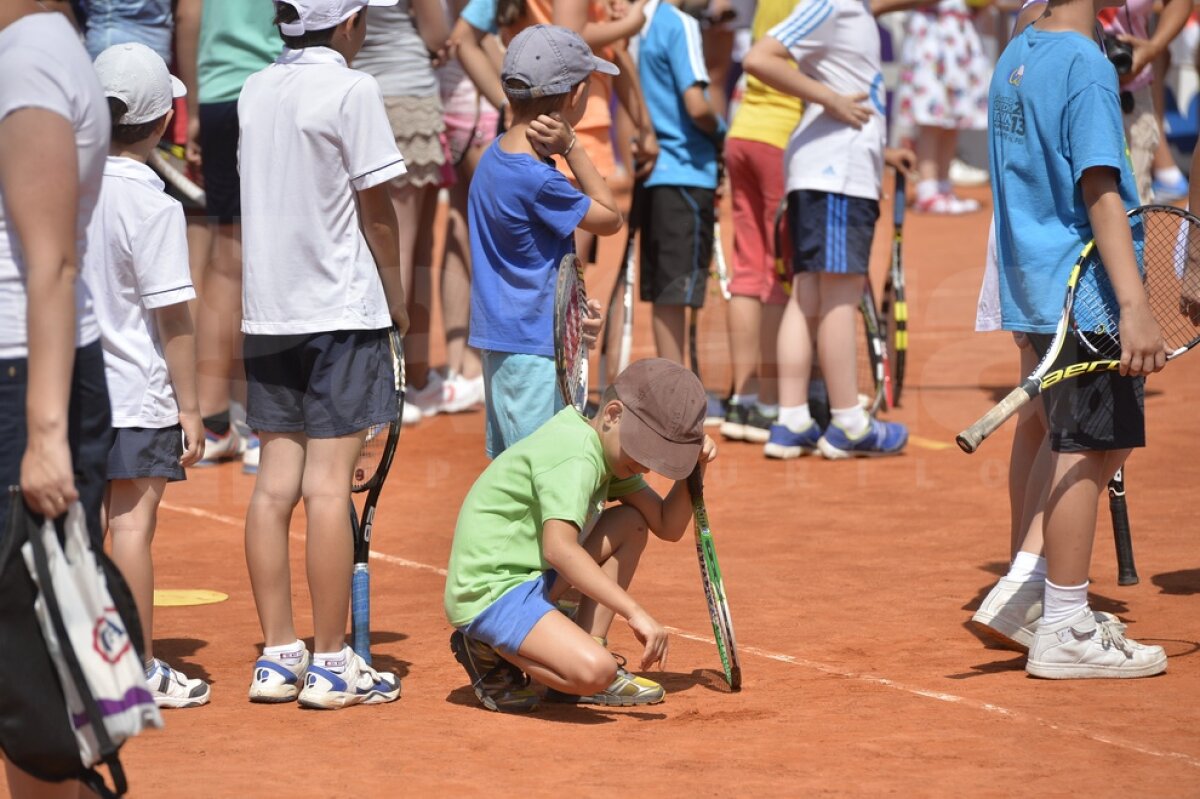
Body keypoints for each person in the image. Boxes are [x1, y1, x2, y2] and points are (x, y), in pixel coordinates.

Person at [979, 0, 1168, 678]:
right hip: (1082, 289)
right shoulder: (1087, 66)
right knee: (1093, 446)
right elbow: (1101, 191)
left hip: (1032, 284)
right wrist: (1136, 303)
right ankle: (1062, 621)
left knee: (1064, 435)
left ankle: (1031, 589)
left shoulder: (1017, 51)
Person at [237, 0, 408, 709]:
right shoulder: (352, 89)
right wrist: (399, 304)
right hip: (340, 309)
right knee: (328, 488)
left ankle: (280, 655)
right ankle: (335, 662)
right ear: (347, 26)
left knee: (275, 487)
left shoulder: (254, 87)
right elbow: (378, 210)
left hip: (267, 311)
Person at [444, 358, 717, 712]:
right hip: (491, 591)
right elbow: (559, 549)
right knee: (596, 671)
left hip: (530, 579)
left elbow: (666, 525)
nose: (647, 465)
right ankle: (485, 648)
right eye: (643, 450)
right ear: (613, 415)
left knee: (631, 523)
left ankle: (587, 645)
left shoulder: (607, 450)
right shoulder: (576, 455)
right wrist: (634, 612)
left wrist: (696, 468)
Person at [0, 2, 113, 795]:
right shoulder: (46, 46)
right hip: (31, 374)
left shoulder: (29, 56)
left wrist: (44, 435)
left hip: (21, 382)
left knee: (30, 672)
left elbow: (54, 263)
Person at [86, 43, 210, 709]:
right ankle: (134, 667)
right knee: (131, 526)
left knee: (76, 530)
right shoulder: (153, 204)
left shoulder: (59, 184)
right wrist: (190, 408)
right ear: (163, 121)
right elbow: (175, 320)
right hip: (135, 392)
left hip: (68, 391)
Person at [742, 0, 913, 460]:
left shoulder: (849, 8)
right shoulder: (831, 4)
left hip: (830, 172)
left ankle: (792, 419)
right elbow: (758, 58)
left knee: (810, 295)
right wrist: (830, 99)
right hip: (836, 176)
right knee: (838, 294)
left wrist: (884, 152)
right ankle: (848, 422)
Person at [467, 24, 620, 458]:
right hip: (535, 354)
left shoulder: (493, 159)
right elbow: (610, 218)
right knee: (540, 477)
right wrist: (573, 147)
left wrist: (570, 307)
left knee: (517, 473)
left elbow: (527, 260)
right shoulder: (539, 179)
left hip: (511, 348)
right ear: (573, 96)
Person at [175, 0, 282, 471]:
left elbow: (189, 16)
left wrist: (195, 104)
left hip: (219, 97)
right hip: (273, 93)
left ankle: (218, 420)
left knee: (226, 261)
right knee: (270, 261)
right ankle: (269, 427)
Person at [357, 0, 450, 422]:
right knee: (408, 247)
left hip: (359, 90)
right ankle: (395, 382)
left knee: (396, 246)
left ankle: (414, 376)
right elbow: (436, 34)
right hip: (409, 95)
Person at [718, 0, 802, 444]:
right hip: (778, 137)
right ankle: (770, 401)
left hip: (744, 130)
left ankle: (743, 398)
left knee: (748, 268)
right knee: (777, 271)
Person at [634, 0, 725, 367]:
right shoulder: (681, 24)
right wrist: (723, 136)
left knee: (665, 296)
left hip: (656, 177)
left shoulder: (639, 23)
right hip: (687, 172)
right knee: (677, 294)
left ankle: (671, 394)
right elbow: (697, 107)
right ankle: (676, 401)